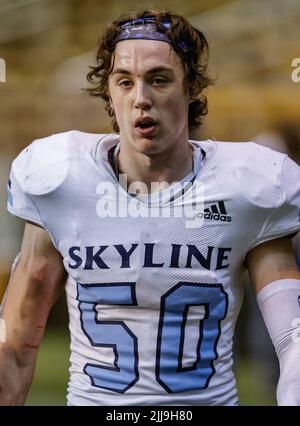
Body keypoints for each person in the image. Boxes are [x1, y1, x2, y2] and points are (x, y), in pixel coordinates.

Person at [1, 8, 300, 406]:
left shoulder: (248, 186)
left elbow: (292, 338)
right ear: (108, 91)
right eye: (125, 81)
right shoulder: (60, 180)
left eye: (159, 80)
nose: (140, 99)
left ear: (190, 87)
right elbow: (15, 345)